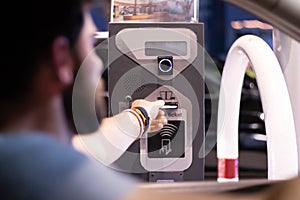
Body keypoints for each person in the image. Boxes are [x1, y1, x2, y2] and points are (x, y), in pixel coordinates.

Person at [0, 0, 166, 199]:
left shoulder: (16, 151)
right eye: (90, 42)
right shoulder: (42, 173)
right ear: (61, 59)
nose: (97, 62)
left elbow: (90, 147)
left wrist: (140, 117)